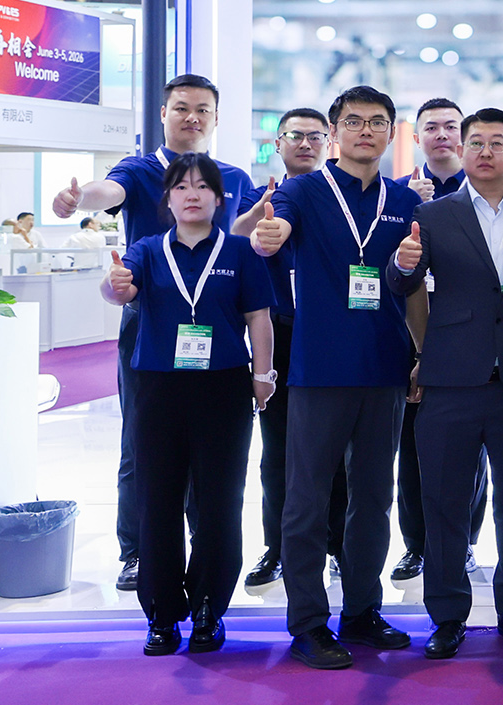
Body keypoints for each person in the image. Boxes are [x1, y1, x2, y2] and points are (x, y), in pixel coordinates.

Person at [50, 73, 257, 592]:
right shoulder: (141, 169)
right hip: (149, 323)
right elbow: (107, 191)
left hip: (217, 329)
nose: (192, 117)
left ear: (216, 118)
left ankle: (206, 556)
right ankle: (139, 552)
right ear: (163, 114)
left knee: (211, 450)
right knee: (141, 444)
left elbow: (245, 232)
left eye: (203, 109)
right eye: (182, 107)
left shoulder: (232, 177)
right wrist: (78, 199)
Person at [252, 85, 421, 670]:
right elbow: (276, 228)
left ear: (391, 132)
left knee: (373, 499)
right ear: (335, 132)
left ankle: (362, 611)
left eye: (377, 122)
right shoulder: (303, 190)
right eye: (354, 121)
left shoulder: (404, 200)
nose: (365, 131)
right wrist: (271, 234)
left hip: (384, 368)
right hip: (320, 369)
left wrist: (420, 341)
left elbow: (409, 286)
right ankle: (308, 623)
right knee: (307, 499)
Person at [387, 107, 503, 660]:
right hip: (451, 378)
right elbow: (405, 283)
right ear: (461, 151)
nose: (485, 151)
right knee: (444, 502)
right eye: (476, 142)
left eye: (496, 142)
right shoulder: (432, 215)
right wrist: (402, 264)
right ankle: (447, 614)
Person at [102, 153, 276, 656]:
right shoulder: (148, 249)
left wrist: (262, 375)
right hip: (158, 388)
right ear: (168, 198)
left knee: (220, 501)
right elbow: (120, 290)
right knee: (157, 499)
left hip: (223, 388)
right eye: (181, 186)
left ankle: (207, 608)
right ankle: (161, 614)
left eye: (203, 187)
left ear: (220, 199)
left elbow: (259, 317)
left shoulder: (240, 250)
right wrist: (114, 285)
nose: (192, 194)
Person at [232, 108, 346, 590]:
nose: (305, 143)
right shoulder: (260, 197)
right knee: (277, 448)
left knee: (337, 448)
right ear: (277, 143)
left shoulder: (340, 196)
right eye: (294, 135)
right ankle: (277, 548)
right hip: (278, 332)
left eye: (315, 136)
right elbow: (230, 241)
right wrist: (261, 212)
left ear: (328, 143)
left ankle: (337, 547)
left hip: (332, 334)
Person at [390, 97, 486, 584]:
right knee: (414, 443)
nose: (442, 135)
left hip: (474, 337)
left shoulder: (486, 195)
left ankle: (464, 541)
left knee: (473, 447)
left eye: (451, 126)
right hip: (415, 331)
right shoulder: (401, 197)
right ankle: (416, 545)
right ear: (416, 137)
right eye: (432, 127)